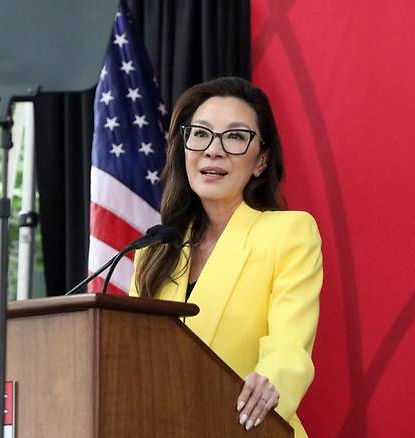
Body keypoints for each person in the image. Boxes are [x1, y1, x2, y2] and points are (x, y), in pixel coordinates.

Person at [130, 76, 322, 438]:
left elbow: (289, 347)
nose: (213, 150)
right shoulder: (154, 249)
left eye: (234, 137)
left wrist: (271, 381)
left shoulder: (289, 232)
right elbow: (130, 358)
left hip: (249, 429)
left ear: (261, 160)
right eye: (200, 133)